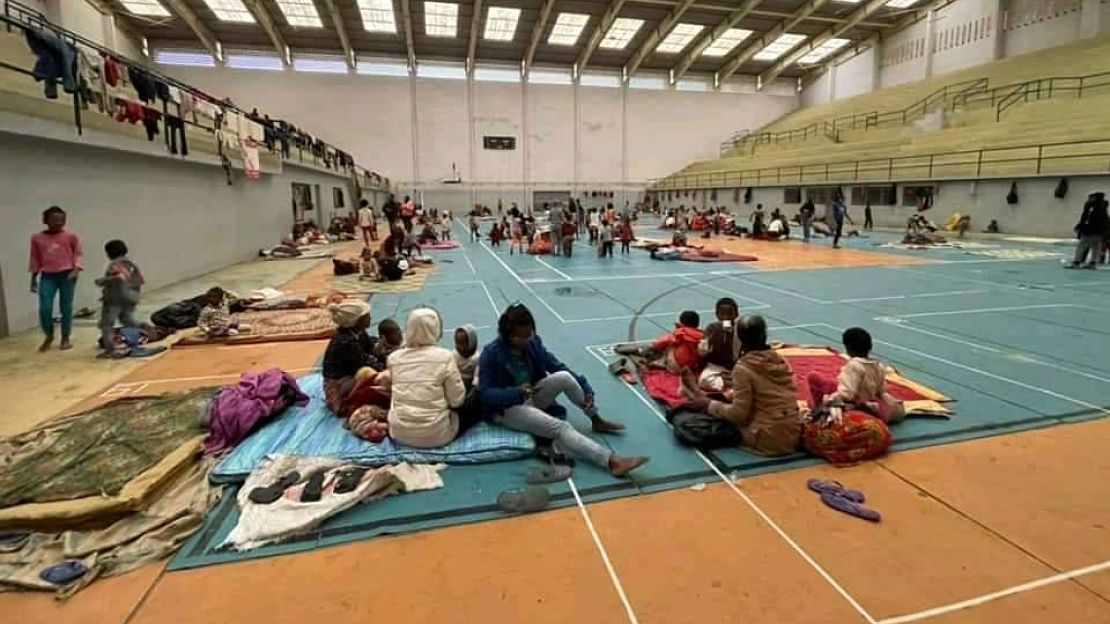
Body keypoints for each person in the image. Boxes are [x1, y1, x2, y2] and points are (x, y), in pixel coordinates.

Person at [478, 304, 648, 476]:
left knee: (565, 377)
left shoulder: (533, 344)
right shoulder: (491, 354)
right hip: (507, 408)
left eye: (528, 335)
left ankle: (596, 419)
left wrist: (585, 388)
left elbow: (556, 365)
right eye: (517, 337)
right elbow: (484, 394)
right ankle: (612, 461)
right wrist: (515, 393)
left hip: (531, 395)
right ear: (506, 335)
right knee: (560, 428)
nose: (524, 340)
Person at [683, 315, 802, 456]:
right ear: (765, 335)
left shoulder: (743, 368)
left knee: (690, 422)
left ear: (740, 339)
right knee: (725, 400)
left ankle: (699, 397)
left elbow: (738, 415)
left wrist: (709, 405)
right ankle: (699, 395)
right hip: (792, 434)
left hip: (765, 439)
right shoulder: (781, 361)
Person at [387, 308, 471, 448]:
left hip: (399, 433)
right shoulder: (445, 357)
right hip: (438, 434)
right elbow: (457, 401)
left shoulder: (393, 359)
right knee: (476, 400)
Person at [807, 327, 906, 423]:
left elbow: (846, 393)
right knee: (832, 383)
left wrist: (829, 400)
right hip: (865, 400)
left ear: (848, 348)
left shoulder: (854, 366)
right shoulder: (878, 365)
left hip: (853, 404)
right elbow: (881, 390)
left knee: (814, 377)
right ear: (869, 347)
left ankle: (818, 405)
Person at [29, 206, 83, 352]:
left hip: (67, 275)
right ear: (45, 220)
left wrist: (76, 269)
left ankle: (65, 337)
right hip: (48, 275)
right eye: (54, 220)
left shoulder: (71, 236)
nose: (58, 223)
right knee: (44, 307)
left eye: (61, 220)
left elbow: (78, 254)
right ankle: (49, 334)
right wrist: (33, 278)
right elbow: (35, 258)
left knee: (66, 307)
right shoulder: (37, 238)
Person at [322, 300, 381, 416]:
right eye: (366, 316)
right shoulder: (345, 342)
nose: (370, 318)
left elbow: (372, 348)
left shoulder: (359, 333)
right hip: (339, 385)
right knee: (371, 376)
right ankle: (348, 403)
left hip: (350, 375)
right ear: (356, 321)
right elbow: (366, 362)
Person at [95, 239, 143, 357]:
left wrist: (101, 281)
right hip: (130, 298)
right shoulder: (131, 264)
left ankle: (110, 349)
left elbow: (117, 278)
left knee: (106, 324)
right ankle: (139, 334)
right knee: (128, 320)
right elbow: (140, 280)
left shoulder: (115, 265)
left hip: (114, 299)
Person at [1067, 191, 1109, 269]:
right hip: (1099, 230)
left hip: (1090, 229)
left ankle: (1076, 262)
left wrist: (1081, 226)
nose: (1089, 199)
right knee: (1095, 246)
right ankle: (1093, 263)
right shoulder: (1103, 206)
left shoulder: (1091, 207)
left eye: (1091, 197)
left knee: (1082, 245)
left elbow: (1086, 218)